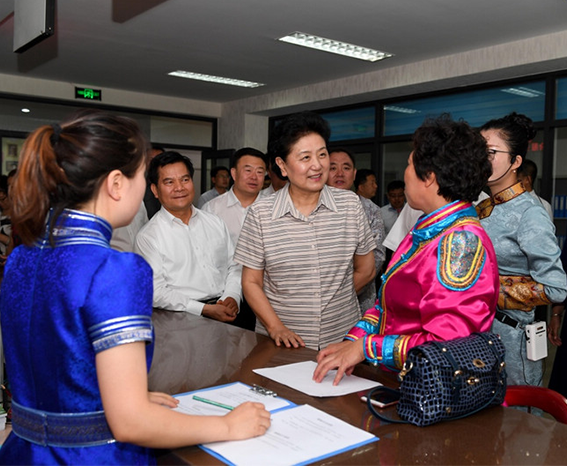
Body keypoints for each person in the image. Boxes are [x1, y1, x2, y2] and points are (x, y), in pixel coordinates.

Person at [0, 111, 270, 465]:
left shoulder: (23, 258)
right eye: (143, 176)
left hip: (25, 450)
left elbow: (61, 368)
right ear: (116, 184)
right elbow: (130, 423)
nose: (145, 188)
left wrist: (120, 399)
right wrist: (228, 425)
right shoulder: (114, 269)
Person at [314, 114, 499, 385]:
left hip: (433, 389)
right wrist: (353, 340)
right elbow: (387, 306)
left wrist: (367, 348)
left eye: (409, 165)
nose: (404, 174)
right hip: (400, 378)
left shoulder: (459, 242)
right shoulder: (428, 227)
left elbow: (447, 344)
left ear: (429, 178)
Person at [234, 112, 376, 350]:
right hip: (280, 343)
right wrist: (275, 326)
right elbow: (250, 281)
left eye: (322, 154)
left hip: (342, 340)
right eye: (305, 157)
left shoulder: (350, 205)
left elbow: (367, 268)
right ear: (282, 165)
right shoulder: (261, 213)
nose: (317, 165)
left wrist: (329, 301)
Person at [476, 112, 567, 386]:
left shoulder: (530, 213)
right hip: (480, 331)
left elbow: (557, 287)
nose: (482, 159)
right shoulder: (483, 207)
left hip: (513, 338)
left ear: (516, 161)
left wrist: (491, 291)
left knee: (519, 421)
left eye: (491, 152)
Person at [135, 151, 242, 323]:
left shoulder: (215, 222)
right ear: (155, 190)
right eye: (169, 182)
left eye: (185, 180)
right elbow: (156, 291)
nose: (179, 188)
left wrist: (232, 296)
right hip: (181, 318)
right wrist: (204, 309)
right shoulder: (149, 236)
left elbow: (234, 266)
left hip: (228, 310)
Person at [203, 147, 267, 330]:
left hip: (268, 293)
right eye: (248, 170)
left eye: (260, 172)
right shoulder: (212, 209)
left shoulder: (274, 207)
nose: (254, 177)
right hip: (228, 296)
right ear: (234, 173)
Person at [327, 148, 386, 312]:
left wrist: (338, 296)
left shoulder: (370, 210)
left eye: (345, 168)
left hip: (359, 301)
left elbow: (378, 256)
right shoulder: (310, 208)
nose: (339, 173)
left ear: (354, 174)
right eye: (333, 168)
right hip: (315, 302)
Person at [143, 144, 165, 219]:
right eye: (150, 159)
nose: (154, 163)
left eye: (158, 159)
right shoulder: (138, 188)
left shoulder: (174, 187)